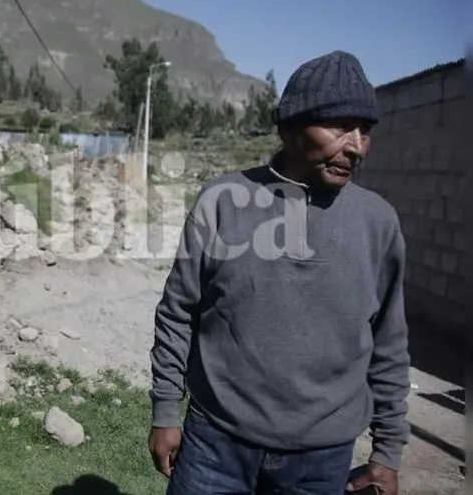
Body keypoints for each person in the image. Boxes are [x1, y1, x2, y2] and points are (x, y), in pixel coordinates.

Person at [148, 50, 410, 495]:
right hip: (215, 443)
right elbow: (178, 313)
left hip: (321, 461)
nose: (355, 145)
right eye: (339, 125)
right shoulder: (223, 202)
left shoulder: (378, 223)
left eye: (365, 130)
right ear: (288, 128)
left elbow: (388, 341)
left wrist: (387, 451)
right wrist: (166, 413)